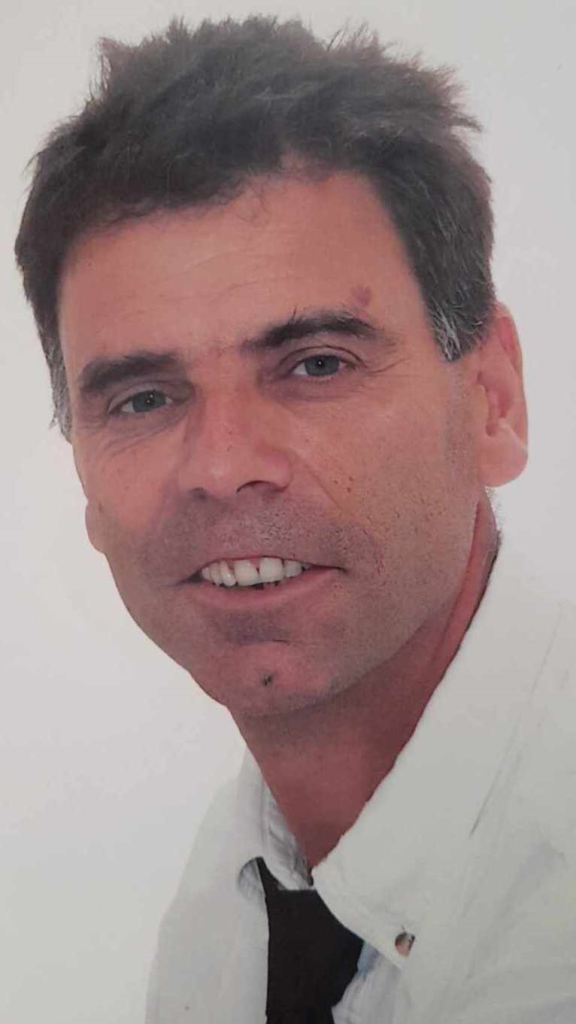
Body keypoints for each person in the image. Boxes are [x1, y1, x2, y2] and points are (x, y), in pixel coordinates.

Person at [14, 15, 576, 1024]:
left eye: (317, 364)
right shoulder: (225, 908)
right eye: (142, 397)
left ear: (492, 400)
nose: (222, 467)